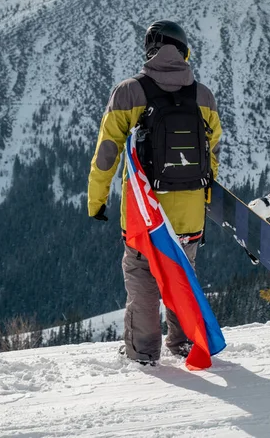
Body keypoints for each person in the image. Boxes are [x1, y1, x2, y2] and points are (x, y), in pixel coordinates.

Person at [87, 20, 222, 364]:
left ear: (149, 51)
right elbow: (213, 154)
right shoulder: (203, 95)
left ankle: (143, 352)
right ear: (183, 50)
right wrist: (204, 199)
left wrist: (97, 200)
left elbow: (107, 153)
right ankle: (184, 342)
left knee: (143, 286)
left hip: (145, 214)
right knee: (182, 277)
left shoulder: (129, 91)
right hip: (190, 213)